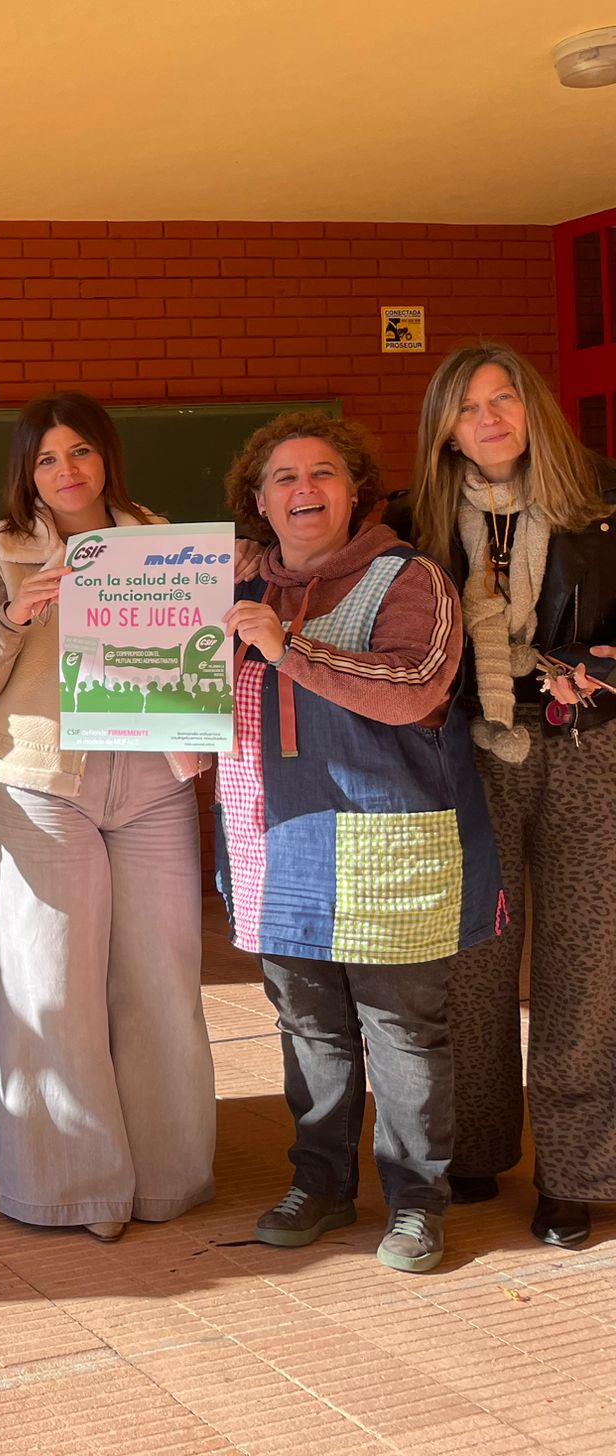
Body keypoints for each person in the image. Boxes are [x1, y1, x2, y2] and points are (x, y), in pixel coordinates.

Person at [218, 413, 501, 1274]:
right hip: (275, 839)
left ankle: (417, 1203)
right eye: (284, 478)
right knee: (308, 1026)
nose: (304, 490)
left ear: (355, 491)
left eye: (323, 473)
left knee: (404, 1031)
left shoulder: (410, 577)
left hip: (392, 843)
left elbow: (416, 687)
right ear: (259, 501)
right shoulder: (236, 592)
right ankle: (322, 1186)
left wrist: (290, 644)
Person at [0, 392, 216, 1239]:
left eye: (81, 453)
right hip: (37, 786)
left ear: (108, 458)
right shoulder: (2, 550)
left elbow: (190, 666)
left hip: (151, 785)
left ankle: (170, 1178)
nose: (67, 471)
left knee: (160, 979)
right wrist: (14, 617)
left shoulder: (164, 545)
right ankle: (76, 1189)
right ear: (28, 471)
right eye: (48, 458)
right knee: (51, 985)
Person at [400, 343, 616, 1250]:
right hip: (471, 751)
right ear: (444, 429)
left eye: (505, 400)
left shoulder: (600, 498)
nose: (489, 420)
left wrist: (607, 670)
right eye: (467, 407)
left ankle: (574, 1173)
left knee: (584, 963)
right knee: (476, 961)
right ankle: (476, 1147)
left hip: (587, 750)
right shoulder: (414, 519)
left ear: (535, 409)